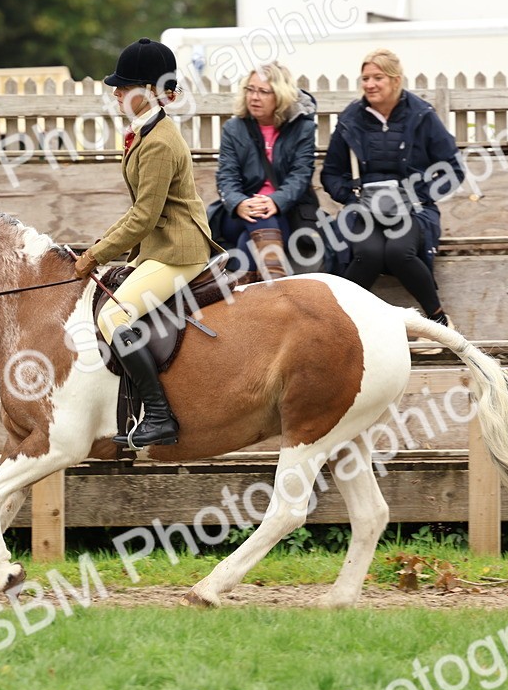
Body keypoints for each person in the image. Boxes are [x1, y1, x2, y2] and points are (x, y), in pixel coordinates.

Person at [73, 37, 222, 448]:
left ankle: (159, 415)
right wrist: (101, 246)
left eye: (124, 86)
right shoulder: (145, 131)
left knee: (113, 317)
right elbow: (140, 211)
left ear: (152, 91)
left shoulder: (158, 141)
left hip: (179, 251)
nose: (116, 93)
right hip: (160, 247)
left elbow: (144, 216)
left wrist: (95, 255)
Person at [321, 48, 464, 335]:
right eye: (365, 78)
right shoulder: (351, 118)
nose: (370, 84)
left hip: (413, 209)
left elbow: (453, 168)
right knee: (368, 254)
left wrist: (419, 195)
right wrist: (352, 196)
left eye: (378, 78)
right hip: (364, 210)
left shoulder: (421, 115)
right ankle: (338, 328)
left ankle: (439, 323)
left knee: (400, 252)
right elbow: (331, 173)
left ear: (395, 80)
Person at [211, 61, 318, 282]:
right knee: (259, 218)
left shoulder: (302, 128)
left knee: (248, 242)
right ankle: (277, 287)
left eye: (263, 91)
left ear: (280, 95)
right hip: (238, 214)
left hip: (284, 212)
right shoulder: (234, 128)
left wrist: (275, 201)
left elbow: (301, 174)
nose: (254, 97)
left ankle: (252, 292)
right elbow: (227, 176)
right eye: (250, 90)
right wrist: (239, 203)